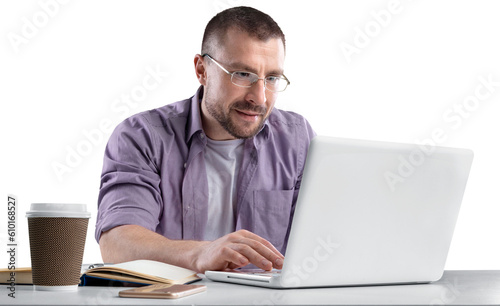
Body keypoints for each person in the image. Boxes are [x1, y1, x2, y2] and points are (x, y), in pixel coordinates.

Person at [96, 6, 315, 273]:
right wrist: (200, 253)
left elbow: (328, 236)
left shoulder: (297, 138)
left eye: (271, 78)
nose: (259, 98)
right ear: (202, 70)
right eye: (242, 74)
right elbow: (117, 245)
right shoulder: (142, 137)